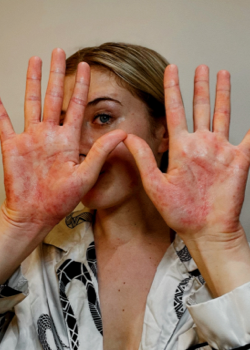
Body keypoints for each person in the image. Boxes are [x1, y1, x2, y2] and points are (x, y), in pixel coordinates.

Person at [0, 42, 250, 350]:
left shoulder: (224, 266)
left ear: (164, 132)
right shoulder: (27, 260)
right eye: (66, 124)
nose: (75, 144)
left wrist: (218, 245)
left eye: (103, 117)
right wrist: (19, 224)